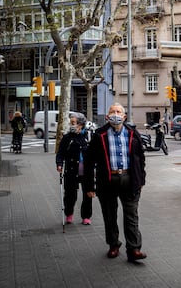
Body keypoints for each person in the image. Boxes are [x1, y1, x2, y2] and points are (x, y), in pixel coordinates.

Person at [84, 103, 147, 262]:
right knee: (109, 215)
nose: (116, 114)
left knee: (131, 215)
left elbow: (141, 158)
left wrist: (141, 179)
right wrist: (90, 186)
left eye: (119, 112)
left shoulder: (133, 133)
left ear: (124, 116)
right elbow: (89, 162)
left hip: (130, 181)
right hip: (107, 182)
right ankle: (113, 245)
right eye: (112, 111)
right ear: (107, 116)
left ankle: (134, 249)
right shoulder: (100, 135)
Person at [56, 112, 92, 225]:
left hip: (86, 170)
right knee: (70, 194)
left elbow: (95, 153)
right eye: (70, 123)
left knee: (87, 194)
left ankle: (86, 217)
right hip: (71, 169)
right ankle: (69, 213)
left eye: (73, 123)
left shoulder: (88, 136)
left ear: (81, 124)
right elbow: (60, 153)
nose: (71, 125)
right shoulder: (67, 138)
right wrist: (59, 163)